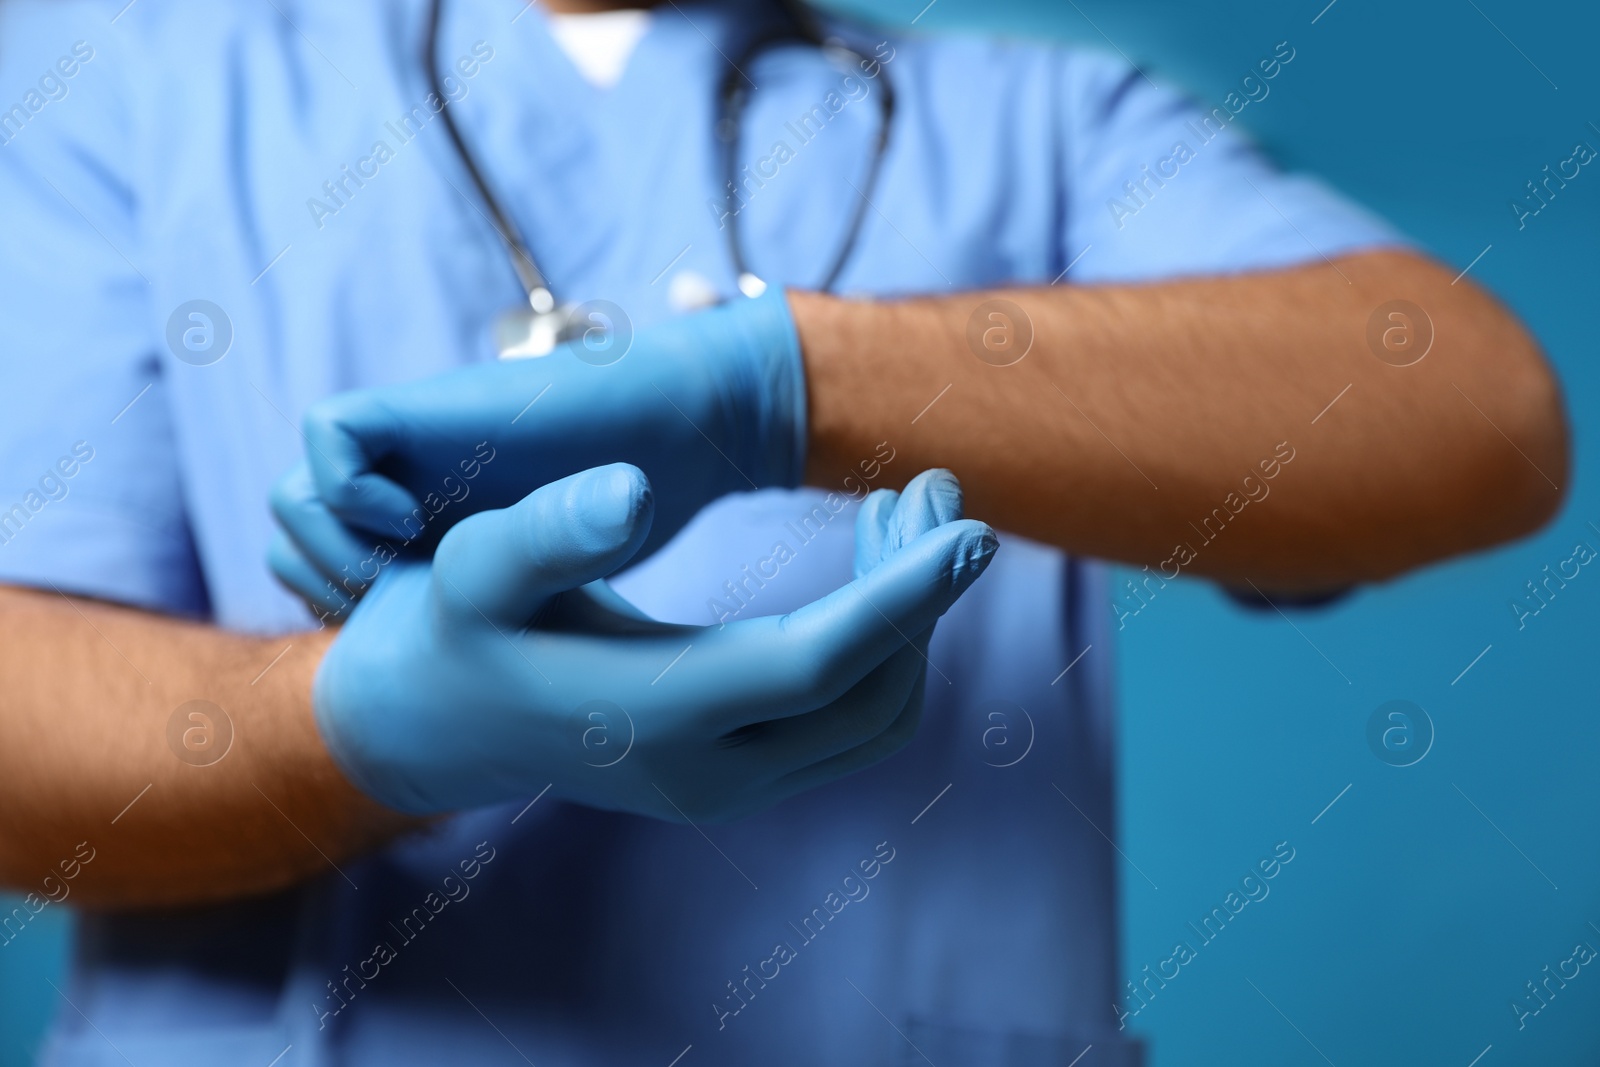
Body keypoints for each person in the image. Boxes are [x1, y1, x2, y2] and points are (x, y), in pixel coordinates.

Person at [0, 0, 1566, 1063]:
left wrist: (792, 387)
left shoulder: (1034, 123)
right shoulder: (120, 76)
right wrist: (359, 728)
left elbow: (1470, 408)